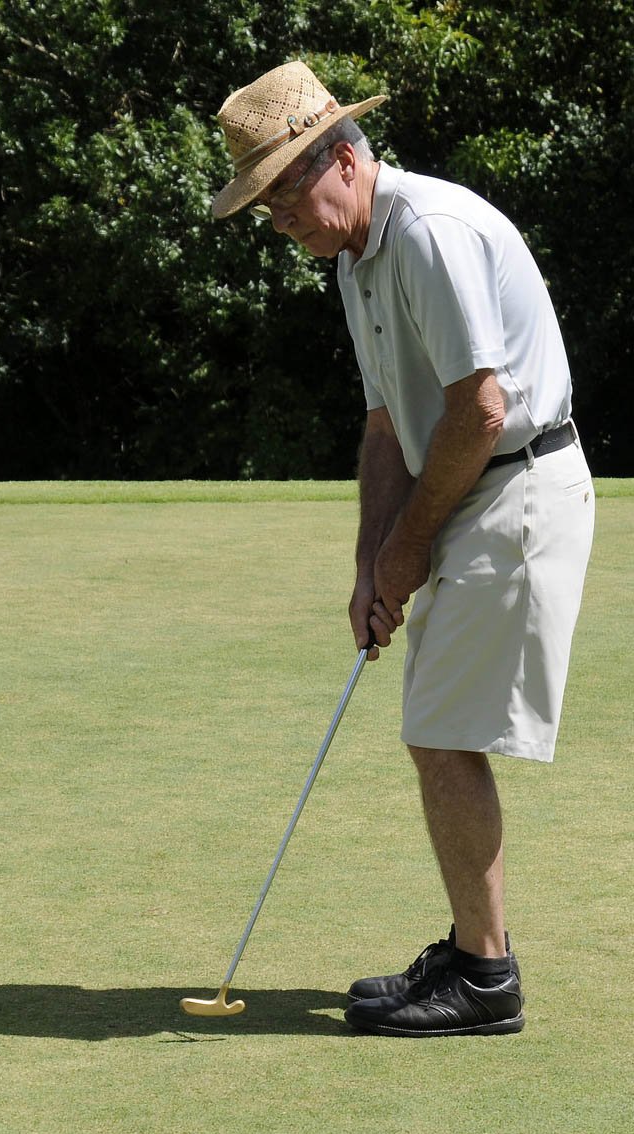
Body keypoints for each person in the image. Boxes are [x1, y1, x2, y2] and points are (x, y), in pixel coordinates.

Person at [210, 61, 595, 1036]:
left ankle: (486, 975)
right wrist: (369, 561)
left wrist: (410, 545)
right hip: (466, 488)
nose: (278, 222)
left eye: (283, 196)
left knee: (441, 730)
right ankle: (472, 952)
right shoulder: (355, 261)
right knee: (436, 725)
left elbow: (480, 408)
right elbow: (386, 423)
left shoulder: (426, 231)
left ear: (343, 161)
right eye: (264, 208)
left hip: (515, 485)